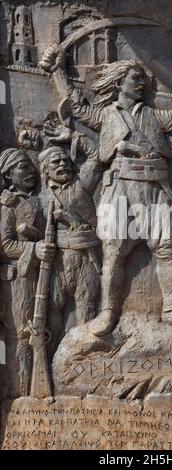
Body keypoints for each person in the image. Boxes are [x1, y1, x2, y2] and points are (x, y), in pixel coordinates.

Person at [41, 50, 172, 336]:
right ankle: (108, 313)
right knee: (114, 252)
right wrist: (57, 72)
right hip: (119, 188)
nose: (142, 84)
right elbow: (79, 109)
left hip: (155, 188)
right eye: (135, 78)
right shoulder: (106, 116)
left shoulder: (153, 116)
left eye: (143, 79)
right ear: (119, 83)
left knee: (166, 249)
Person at [0, 148, 55, 396]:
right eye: (23, 167)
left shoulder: (39, 199)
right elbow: (6, 244)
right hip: (20, 280)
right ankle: (23, 395)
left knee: (44, 330)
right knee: (23, 335)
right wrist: (34, 249)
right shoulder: (7, 205)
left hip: (44, 276)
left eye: (31, 166)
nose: (31, 171)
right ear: (8, 175)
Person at [38, 145, 101, 356]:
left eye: (66, 160)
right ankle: (52, 358)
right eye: (56, 162)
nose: (63, 164)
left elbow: (95, 154)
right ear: (45, 169)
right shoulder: (41, 197)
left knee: (87, 308)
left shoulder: (82, 184)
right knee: (53, 311)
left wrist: (73, 137)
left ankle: (83, 358)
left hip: (86, 258)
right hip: (57, 261)